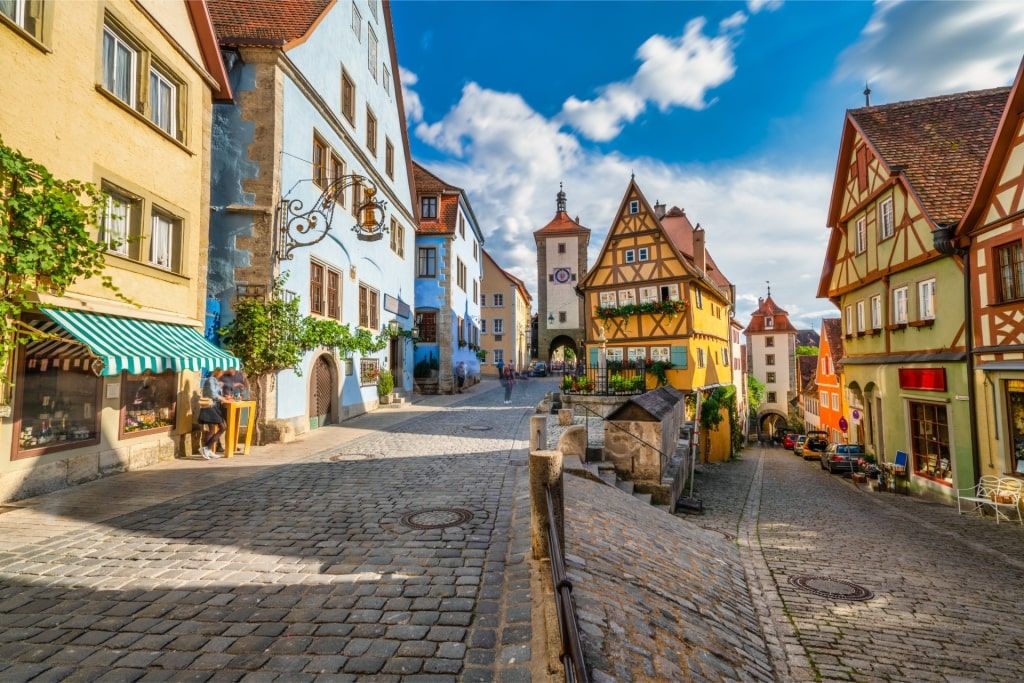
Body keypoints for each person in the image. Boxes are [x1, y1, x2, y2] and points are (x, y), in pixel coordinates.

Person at [198, 368, 230, 459]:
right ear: (218, 373)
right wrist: (222, 398)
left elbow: (217, 393)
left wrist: (224, 396)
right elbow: (212, 394)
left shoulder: (216, 381)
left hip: (214, 407)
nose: (223, 375)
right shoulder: (211, 380)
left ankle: (208, 450)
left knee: (212, 430)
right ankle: (206, 448)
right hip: (210, 406)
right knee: (222, 427)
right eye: (222, 373)